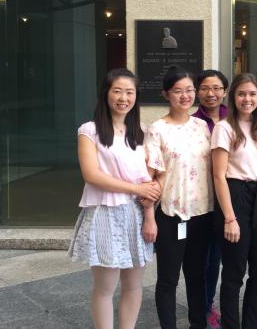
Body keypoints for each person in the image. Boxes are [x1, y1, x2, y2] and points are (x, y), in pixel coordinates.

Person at [68, 68, 161, 329]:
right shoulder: (90, 130)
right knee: (105, 286)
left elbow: (148, 181)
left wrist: (150, 217)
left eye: (129, 92)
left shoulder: (142, 132)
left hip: (136, 213)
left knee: (133, 284)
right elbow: (91, 175)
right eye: (117, 91)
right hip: (104, 212)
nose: (124, 97)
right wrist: (136, 190)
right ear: (106, 93)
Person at [144, 67, 214, 329]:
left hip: (201, 214)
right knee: (168, 279)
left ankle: (199, 324)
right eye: (178, 91)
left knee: (197, 277)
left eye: (189, 90)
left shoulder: (202, 127)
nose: (185, 96)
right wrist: (149, 218)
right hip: (171, 214)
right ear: (166, 94)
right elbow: (149, 179)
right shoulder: (157, 129)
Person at [212, 73, 257, 329]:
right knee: (234, 273)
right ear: (233, 97)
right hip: (235, 197)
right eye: (241, 94)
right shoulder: (224, 128)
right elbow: (218, 175)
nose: (247, 99)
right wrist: (230, 217)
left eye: (252, 94)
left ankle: (249, 323)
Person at [192, 69, 230, 329]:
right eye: (205, 88)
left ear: (225, 91)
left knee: (225, 259)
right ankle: (205, 308)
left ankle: (219, 306)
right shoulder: (192, 123)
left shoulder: (234, 118)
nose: (211, 93)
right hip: (202, 200)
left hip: (231, 198)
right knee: (205, 259)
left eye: (216, 88)